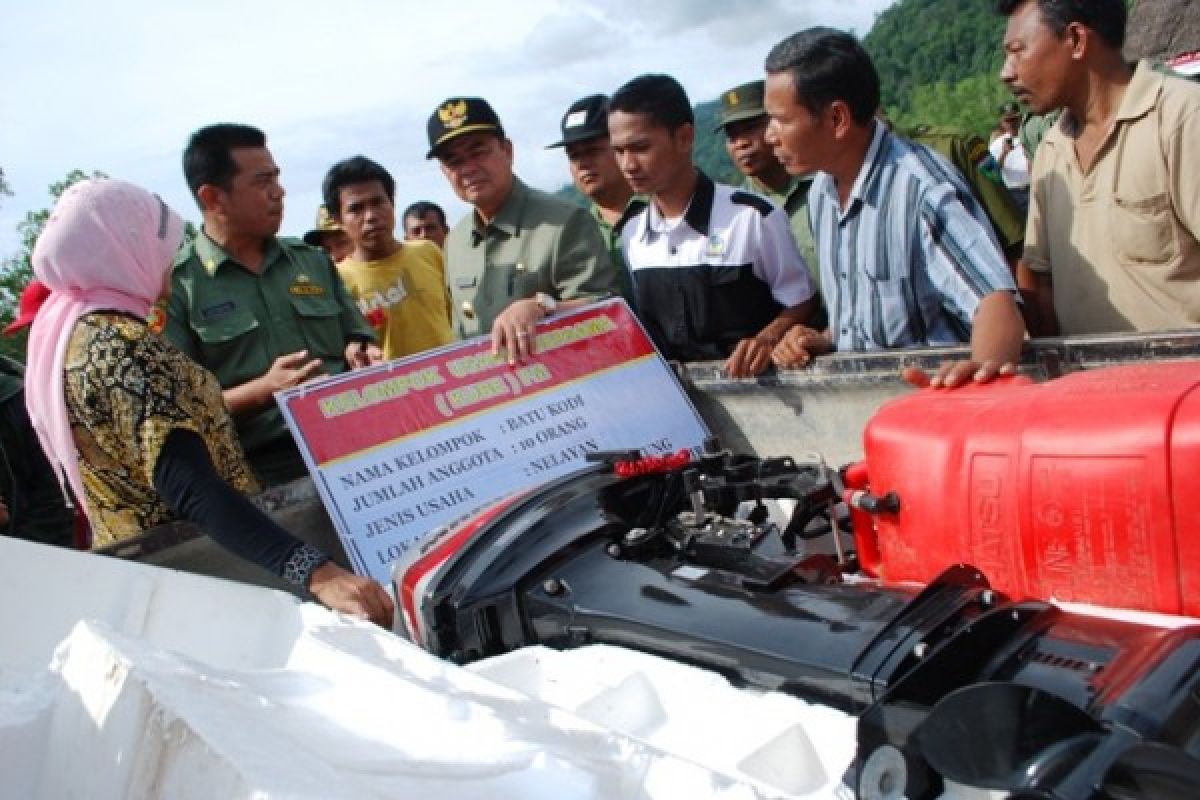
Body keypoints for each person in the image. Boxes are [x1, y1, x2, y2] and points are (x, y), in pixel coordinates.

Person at [24, 178, 393, 625]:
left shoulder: (70, 340)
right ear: (125, 248)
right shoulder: (125, 348)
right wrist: (317, 571)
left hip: (150, 576)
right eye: (161, 248)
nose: (168, 263)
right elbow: (190, 488)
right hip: (205, 571)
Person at [763, 28, 1025, 388]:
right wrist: (825, 338)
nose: (770, 136)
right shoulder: (821, 193)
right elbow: (874, 317)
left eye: (782, 120)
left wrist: (980, 372)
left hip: (929, 415)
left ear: (836, 119)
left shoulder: (922, 189)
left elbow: (995, 303)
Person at [166, 124, 381, 487]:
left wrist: (362, 349)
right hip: (264, 473)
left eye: (277, 178)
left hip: (356, 446)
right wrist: (261, 392)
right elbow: (177, 411)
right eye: (263, 181)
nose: (278, 192)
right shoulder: (177, 287)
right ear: (213, 198)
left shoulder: (311, 261)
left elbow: (356, 333)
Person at [999, 0, 1200, 336]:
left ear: (1076, 39)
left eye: (1017, 51)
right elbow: (1041, 281)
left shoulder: (1181, 119)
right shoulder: (1051, 150)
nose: (1007, 72)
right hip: (1089, 384)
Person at [609, 74, 817, 378]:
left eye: (640, 148)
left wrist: (768, 337)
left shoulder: (752, 218)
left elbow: (802, 299)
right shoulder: (633, 236)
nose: (628, 165)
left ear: (684, 138)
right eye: (619, 151)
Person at [427, 96, 618, 363]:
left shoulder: (564, 222)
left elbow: (607, 309)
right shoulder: (455, 242)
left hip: (565, 390)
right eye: (454, 161)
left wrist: (540, 307)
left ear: (507, 150)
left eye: (478, 152)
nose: (468, 168)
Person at [323, 156, 455, 361]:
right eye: (356, 209)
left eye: (378, 202)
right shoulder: (335, 281)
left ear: (392, 203)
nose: (371, 216)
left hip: (451, 385)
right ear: (338, 220)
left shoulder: (428, 252)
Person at [717, 80, 820, 286]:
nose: (741, 143)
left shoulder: (824, 185)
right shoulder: (733, 212)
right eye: (732, 135)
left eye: (751, 128)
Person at [546, 93, 644, 306]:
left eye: (592, 151)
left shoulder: (662, 213)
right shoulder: (569, 234)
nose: (582, 164)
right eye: (574, 156)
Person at [988, 101, 1031, 212]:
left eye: (1014, 119)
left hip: (1034, 188)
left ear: (1020, 119)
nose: (1011, 124)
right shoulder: (996, 145)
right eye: (1007, 120)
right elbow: (991, 174)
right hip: (1014, 194)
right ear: (1002, 122)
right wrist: (1004, 153)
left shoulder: (1030, 137)